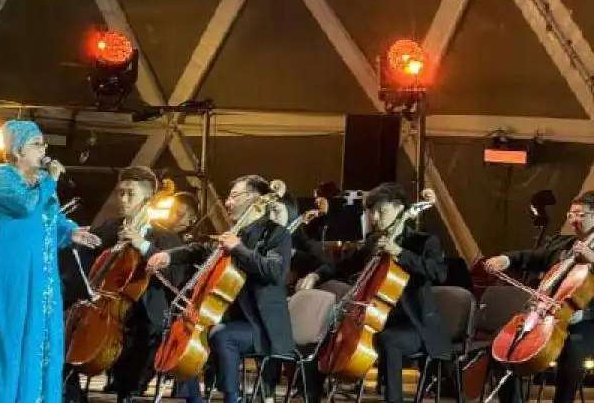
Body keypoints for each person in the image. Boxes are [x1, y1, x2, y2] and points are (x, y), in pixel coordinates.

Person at [0, 120, 101, 403]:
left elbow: (49, 219)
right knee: (6, 337)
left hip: (39, 274)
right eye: (36, 144)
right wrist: (50, 180)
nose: (43, 149)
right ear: (17, 151)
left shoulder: (41, 184)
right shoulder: (1, 176)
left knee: (36, 336)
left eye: (43, 143)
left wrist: (70, 232)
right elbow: (24, 205)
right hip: (5, 274)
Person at [148, 175, 295, 403]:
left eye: (234, 196)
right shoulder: (236, 233)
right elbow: (199, 249)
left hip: (262, 326)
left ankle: (232, 398)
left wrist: (239, 249)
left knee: (222, 335)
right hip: (229, 319)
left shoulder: (277, 234)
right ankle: (194, 400)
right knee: (186, 332)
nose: (227, 202)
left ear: (255, 199)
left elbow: (275, 271)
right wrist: (169, 255)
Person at [296, 182, 447, 403]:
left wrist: (400, 252)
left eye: (381, 211)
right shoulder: (375, 241)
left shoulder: (423, 241)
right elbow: (342, 265)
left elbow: (439, 273)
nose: (375, 218)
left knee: (389, 339)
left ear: (399, 209)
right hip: (374, 319)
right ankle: (311, 396)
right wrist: (316, 275)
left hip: (413, 324)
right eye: (371, 212)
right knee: (323, 330)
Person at [73, 167, 186, 403]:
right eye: (120, 193)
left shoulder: (165, 238)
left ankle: (130, 392)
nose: (122, 199)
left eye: (129, 194)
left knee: (145, 332)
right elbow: (84, 259)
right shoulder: (109, 229)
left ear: (147, 199)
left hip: (144, 313)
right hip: (106, 307)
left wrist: (143, 246)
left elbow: (176, 279)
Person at [483, 190, 594, 403]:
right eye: (571, 214)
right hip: (547, 314)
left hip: (586, 322)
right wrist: (506, 259)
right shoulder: (562, 244)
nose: (573, 219)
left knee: (573, 353)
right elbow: (531, 256)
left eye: (580, 214)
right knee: (503, 345)